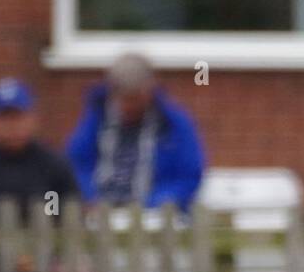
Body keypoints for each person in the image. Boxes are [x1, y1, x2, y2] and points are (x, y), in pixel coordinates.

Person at [67, 53, 204, 210]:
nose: (129, 107)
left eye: (135, 99)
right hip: (99, 211)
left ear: (149, 92)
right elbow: (76, 166)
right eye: (124, 99)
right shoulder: (96, 119)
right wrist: (90, 196)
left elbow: (188, 176)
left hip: (153, 214)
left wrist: (154, 204)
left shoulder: (174, 124)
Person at [0, 78, 78, 212]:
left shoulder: (55, 168)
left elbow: (69, 213)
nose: (12, 125)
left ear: (33, 118)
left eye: (18, 116)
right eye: (4, 117)